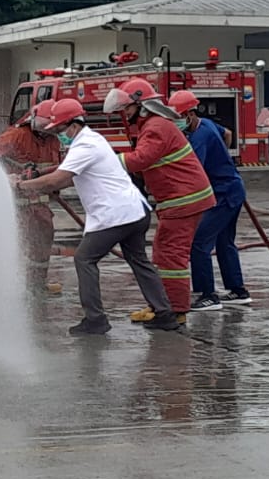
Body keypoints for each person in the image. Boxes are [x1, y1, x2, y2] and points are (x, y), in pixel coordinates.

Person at [13, 98, 180, 336]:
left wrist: (21, 186)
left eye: (60, 130)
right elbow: (68, 174)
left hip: (116, 215)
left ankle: (95, 319)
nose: (59, 135)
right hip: (134, 211)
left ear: (73, 124)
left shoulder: (85, 146)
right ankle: (165, 314)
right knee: (139, 260)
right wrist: (36, 176)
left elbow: (59, 179)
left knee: (84, 259)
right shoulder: (92, 139)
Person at [104, 78, 216, 323]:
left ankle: (175, 311)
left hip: (184, 200)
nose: (125, 113)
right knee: (163, 253)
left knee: (171, 256)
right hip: (179, 199)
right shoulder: (152, 125)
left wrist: (105, 161)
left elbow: (140, 159)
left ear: (142, 105)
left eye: (128, 108)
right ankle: (161, 305)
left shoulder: (155, 127)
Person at [168, 90, 252, 311]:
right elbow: (228, 134)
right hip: (231, 188)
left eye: (179, 117)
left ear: (190, 114)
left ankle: (208, 295)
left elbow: (191, 170)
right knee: (224, 242)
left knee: (198, 242)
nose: (176, 122)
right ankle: (238, 290)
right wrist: (223, 158)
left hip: (224, 193)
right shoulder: (207, 123)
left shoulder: (199, 138)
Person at [0, 99, 61, 295]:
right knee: (16, 245)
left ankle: (37, 285)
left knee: (42, 245)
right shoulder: (17, 135)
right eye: (44, 126)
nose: (47, 131)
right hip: (17, 206)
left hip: (40, 206)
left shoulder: (53, 141)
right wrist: (6, 176)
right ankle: (11, 285)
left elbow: (58, 169)